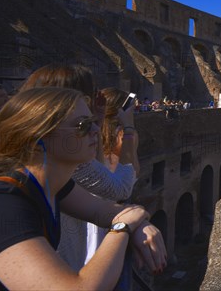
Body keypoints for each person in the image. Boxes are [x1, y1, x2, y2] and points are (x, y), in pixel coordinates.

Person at [0, 87, 166, 290]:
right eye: (82, 125)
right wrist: (123, 229)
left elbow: (101, 210)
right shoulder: (2, 204)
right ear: (38, 138)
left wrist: (139, 223)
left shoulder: (51, 184)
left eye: (93, 121)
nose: (96, 129)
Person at [20, 64, 138, 272]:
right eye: (82, 123)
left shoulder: (56, 180)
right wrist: (128, 129)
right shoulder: (11, 195)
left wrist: (95, 123)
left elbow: (100, 193)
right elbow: (118, 190)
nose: (95, 130)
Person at [85, 87, 140, 266]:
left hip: (87, 209)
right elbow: (132, 175)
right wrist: (129, 129)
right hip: (109, 211)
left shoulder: (90, 134)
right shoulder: (124, 134)